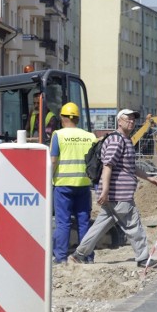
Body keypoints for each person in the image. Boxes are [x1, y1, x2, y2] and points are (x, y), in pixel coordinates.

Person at [70, 109, 157, 268]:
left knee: (99, 226)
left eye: (133, 119)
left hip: (115, 195)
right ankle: (143, 259)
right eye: (128, 119)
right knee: (133, 225)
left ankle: (78, 255)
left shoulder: (125, 140)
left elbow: (130, 167)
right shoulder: (116, 140)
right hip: (119, 194)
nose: (131, 122)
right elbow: (108, 166)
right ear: (119, 121)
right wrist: (104, 191)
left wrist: (148, 178)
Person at [50, 102, 96, 265]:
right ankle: (87, 257)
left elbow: (53, 160)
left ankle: (61, 257)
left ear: (62, 117)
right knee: (84, 222)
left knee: (63, 222)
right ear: (77, 118)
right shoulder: (90, 136)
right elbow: (95, 162)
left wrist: (48, 179)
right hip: (84, 185)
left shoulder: (59, 135)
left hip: (63, 185)